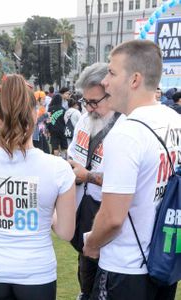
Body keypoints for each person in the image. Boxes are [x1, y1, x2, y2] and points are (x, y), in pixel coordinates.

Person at [83, 40, 181, 300]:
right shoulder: (174, 119)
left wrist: (91, 245)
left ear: (134, 79)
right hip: (163, 260)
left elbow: (113, 217)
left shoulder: (127, 133)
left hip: (125, 268)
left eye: (112, 72)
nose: (105, 81)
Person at [0, 74, 76, 300]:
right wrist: (44, 214)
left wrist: (0, 208)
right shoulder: (58, 168)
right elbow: (65, 232)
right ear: (36, 115)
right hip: (37, 273)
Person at [67, 63, 123, 300]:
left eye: (94, 102)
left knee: (102, 277)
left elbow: (126, 182)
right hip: (82, 210)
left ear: (111, 93)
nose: (89, 108)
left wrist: (87, 176)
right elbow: (73, 154)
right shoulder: (84, 119)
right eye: (85, 101)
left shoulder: (125, 128)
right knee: (84, 265)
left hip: (106, 215)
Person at [48, 93, 68, 158]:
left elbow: (48, 121)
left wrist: (48, 129)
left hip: (53, 130)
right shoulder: (63, 109)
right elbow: (65, 121)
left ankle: (55, 161)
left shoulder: (50, 109)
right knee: (64, 147)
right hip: (62, 130)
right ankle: (66, 160)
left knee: (55, 148)